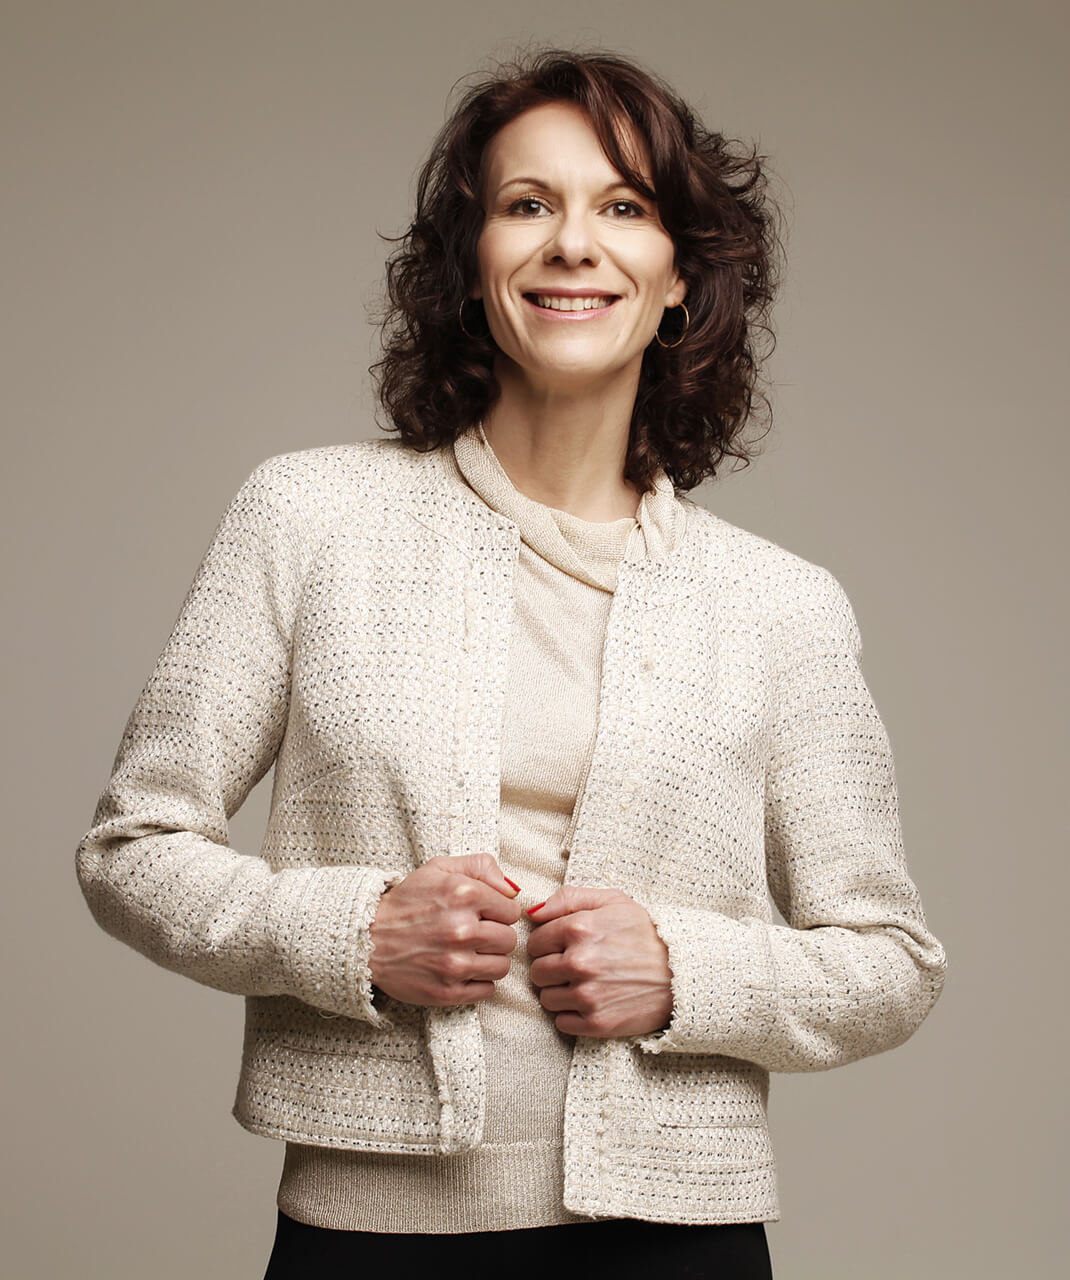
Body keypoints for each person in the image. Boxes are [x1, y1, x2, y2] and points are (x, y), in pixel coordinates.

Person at [75, 49, 947, 1279]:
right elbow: (132, 848)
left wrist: (682, 969)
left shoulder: (778, 605)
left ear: (678, 279)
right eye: (527, 203)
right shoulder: (309, 518)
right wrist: (357, 928)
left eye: (623, 207)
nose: (571, 244)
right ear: (471, 261)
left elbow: (888, 962)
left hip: (676, 1239)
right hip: (367, 1234)